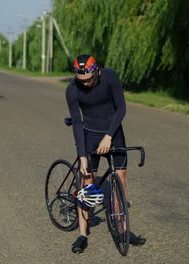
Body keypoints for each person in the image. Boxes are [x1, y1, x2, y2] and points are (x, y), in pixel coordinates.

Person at [65, 54, 146, 254]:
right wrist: (82, 155)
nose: (85, 84)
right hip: (90, 135)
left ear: (97, 71)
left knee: (121, 177)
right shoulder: (72, 90)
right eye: (81, 81)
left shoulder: (110, 77)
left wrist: (109, 136)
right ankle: (83, 234)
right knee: (87, 183)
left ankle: (123, 229)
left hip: (113, 132)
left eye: (89, 80)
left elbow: (122, 108)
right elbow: (77, 122)